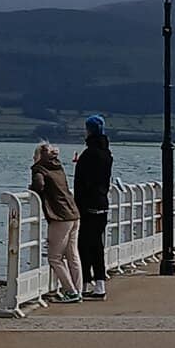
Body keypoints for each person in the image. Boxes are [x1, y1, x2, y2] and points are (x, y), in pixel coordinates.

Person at [30, 141, 83, 303]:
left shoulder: (39, 169)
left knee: (54, 257)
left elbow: (39, 185)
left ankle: (70, 291)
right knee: (73, 255)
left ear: (39, 155)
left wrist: (32, 189)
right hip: (74, 213)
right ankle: (78, 290)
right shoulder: (58, 167)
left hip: (59, 216)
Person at [74, 116, 112, 301]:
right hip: (102, 203)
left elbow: (83, 183)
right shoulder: (107, 153)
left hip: (88, 205)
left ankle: (87, 282)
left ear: (89, 130)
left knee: (84, 245)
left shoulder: (89, 154)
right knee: (97, 245)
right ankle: (98, 283)